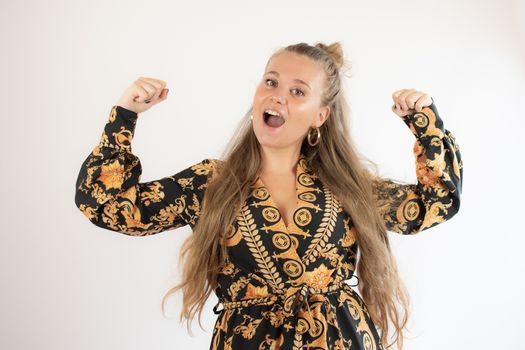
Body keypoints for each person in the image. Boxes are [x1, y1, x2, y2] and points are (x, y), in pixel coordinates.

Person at [74, 42, 463, 350]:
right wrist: (125, 115)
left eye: (298, 91)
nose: (277, 96)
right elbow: (107, 205)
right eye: (271, 82)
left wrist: (425, 122)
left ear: (319, 116)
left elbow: (435, 203)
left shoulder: (348, 185)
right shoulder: (212, 184)